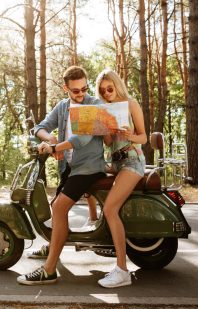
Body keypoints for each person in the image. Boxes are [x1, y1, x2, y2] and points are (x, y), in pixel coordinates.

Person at [17, 65, 106, 285]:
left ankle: (49, 270)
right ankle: (53, 245)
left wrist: (56, 149)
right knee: (56, 204)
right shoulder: (63, 106)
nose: (81, 93)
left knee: (58, 207)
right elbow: (40, 127)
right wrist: (51, 139)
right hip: (69, 168)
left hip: (89, 168)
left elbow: (82, 139)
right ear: (66, 88)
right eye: (76, 90)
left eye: (84, 88)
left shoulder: (93, 104)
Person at [95, 68, 147, 288]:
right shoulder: (105, 109)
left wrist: (129, 135)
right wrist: (103, 130)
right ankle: (93, 224)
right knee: (86, 174)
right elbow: (108, 143)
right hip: (116, 163)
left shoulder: (131, 104)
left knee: (110, 209)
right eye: (102, 91)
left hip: (133, 160)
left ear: (117, 85)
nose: (107, 93)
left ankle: (122, 270)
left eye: (110, 88)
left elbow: (143, 137)